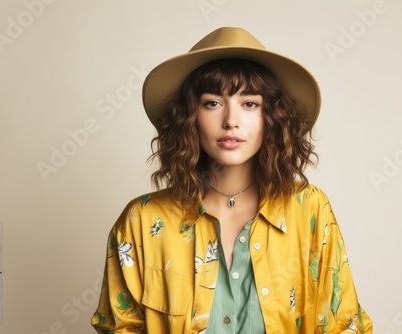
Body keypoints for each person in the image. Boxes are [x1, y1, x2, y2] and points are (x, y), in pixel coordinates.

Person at [91, 27, 373, 333]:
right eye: (212, 103)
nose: (231, 121)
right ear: (189, 116)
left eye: (249, 104)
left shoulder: (309, 210)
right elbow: (119, 327)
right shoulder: (142, 221)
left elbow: (345, 324)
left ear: (272, 118)